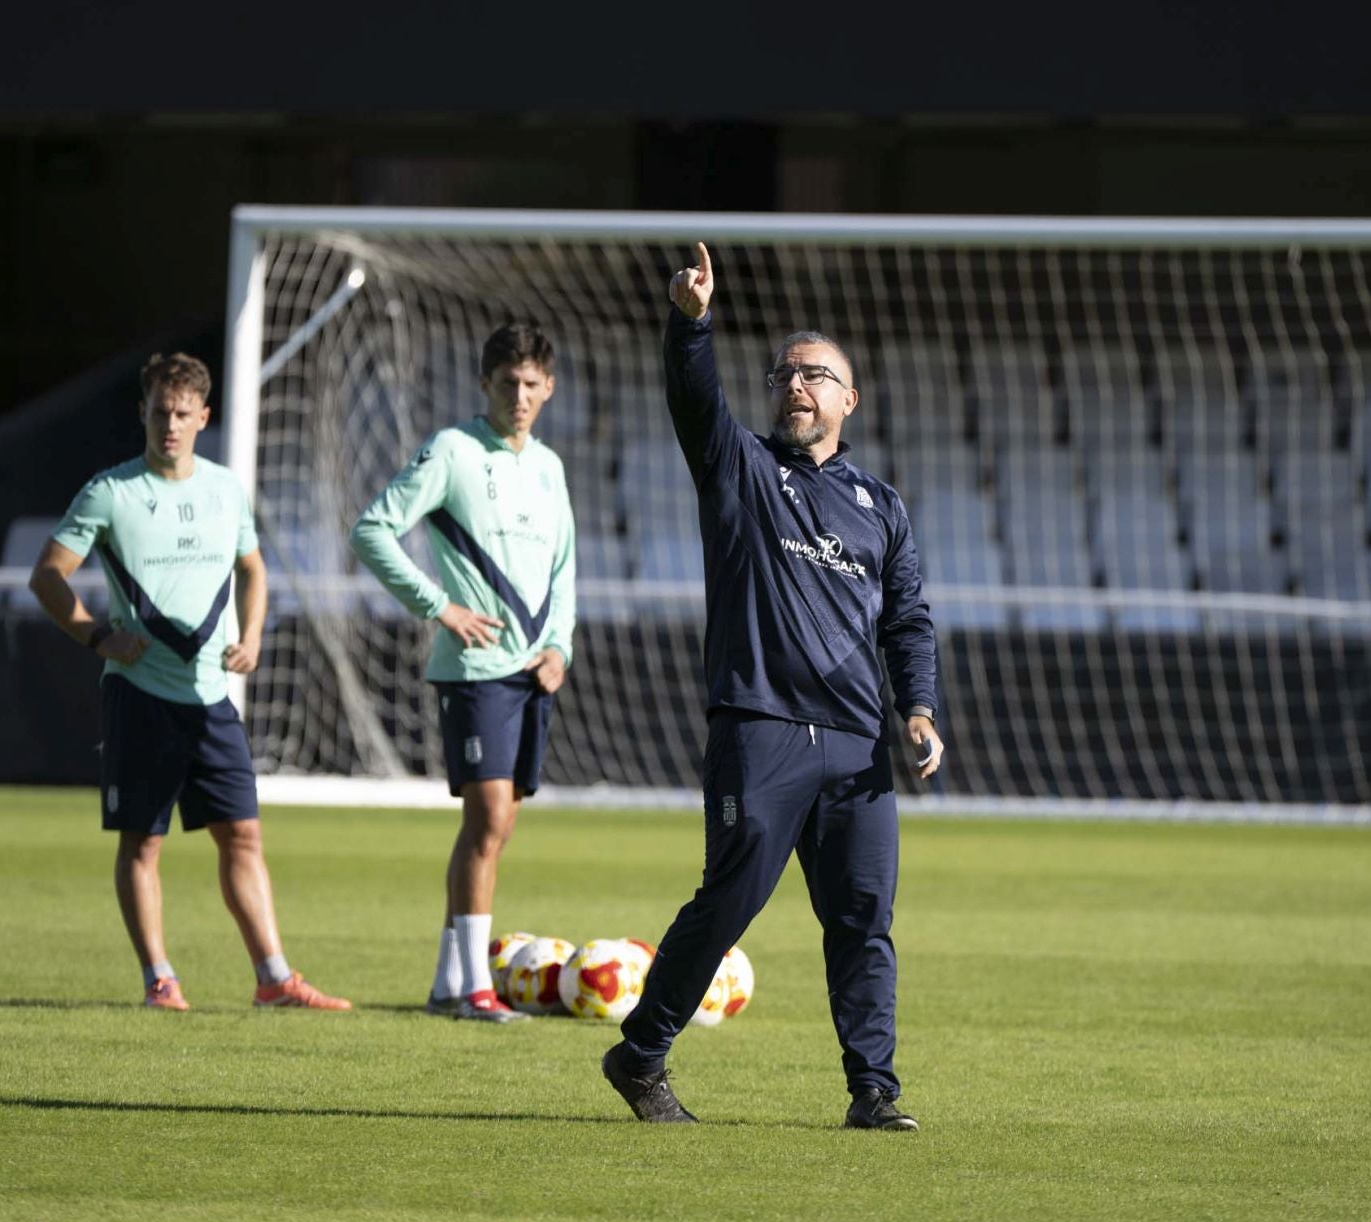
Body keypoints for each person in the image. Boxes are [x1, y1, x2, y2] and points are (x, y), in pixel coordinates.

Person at [600, 244, 944, 1129]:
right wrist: (692, 326)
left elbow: (907, 619)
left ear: (848, 399)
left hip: (857, 744)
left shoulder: (881, 506)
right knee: (732, 897)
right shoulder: (740, 467)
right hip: (760, 726)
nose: (795, 384)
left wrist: (917, 707)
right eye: (784, 374)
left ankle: (874, 1093)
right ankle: (640, 1054)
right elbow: (695, 400)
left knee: (864, 918)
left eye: (814, 374)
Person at [30, 353, 349, 1012]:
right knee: (143, 842)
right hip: (140, 695)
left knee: (243, 836)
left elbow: (252, 569)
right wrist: (97, 636)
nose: (169, 425)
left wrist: (252, 636)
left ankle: (274, 978)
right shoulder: (110, 492)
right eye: (159, 412)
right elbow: (48, 575)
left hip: (211, 699)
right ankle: (160, 980)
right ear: (142, 414)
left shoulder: (225, 489)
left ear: (204, 417)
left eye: (182, 414)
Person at [351, 322, 576, 1023]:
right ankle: (476, 989)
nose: (519, 395)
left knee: (496, 827)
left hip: (533, 671)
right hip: (475, 668)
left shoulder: (550, 467)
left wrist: (560, 647)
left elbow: (565, 569)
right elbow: (372, 529)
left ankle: (450, 985)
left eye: (531, 384)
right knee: (487, 819)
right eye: (507, 383)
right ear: (485, 384)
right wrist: (439, 606)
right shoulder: (452, 450)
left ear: (549, 388)